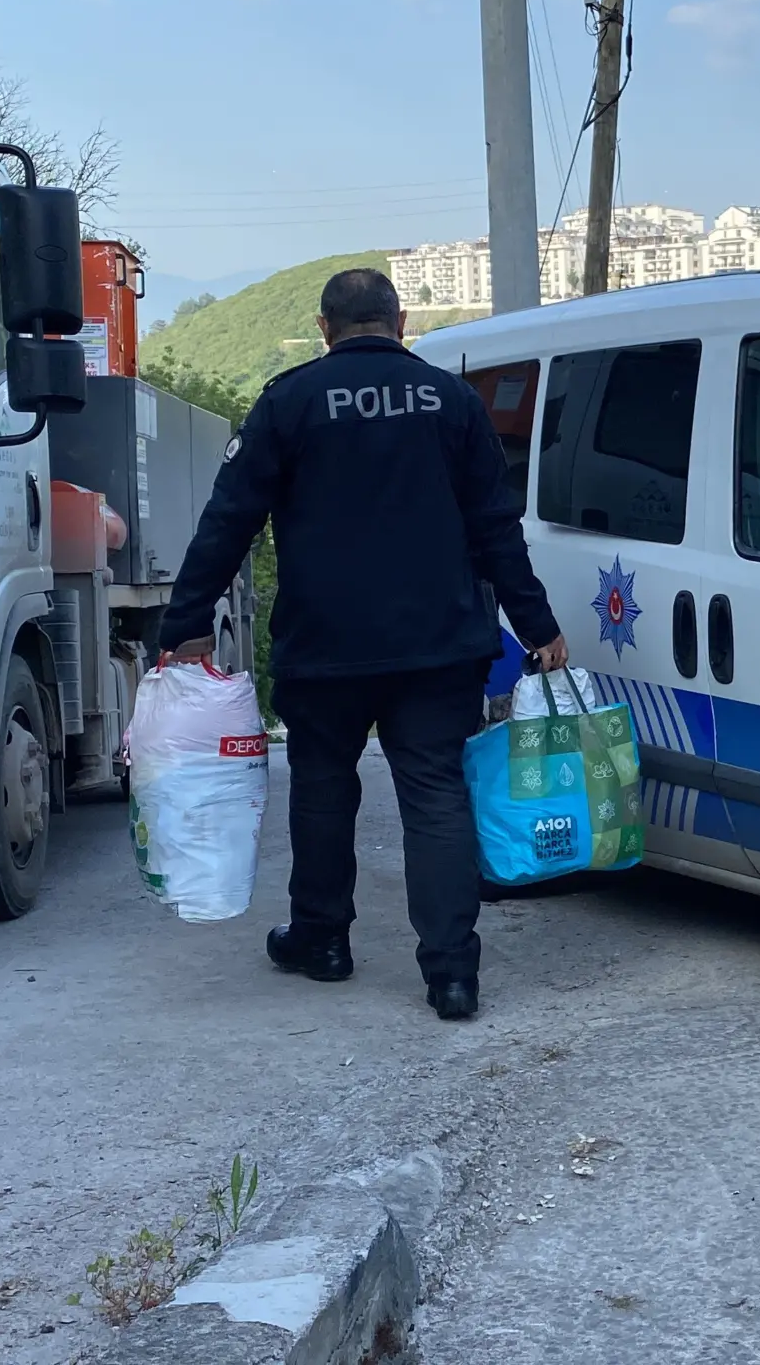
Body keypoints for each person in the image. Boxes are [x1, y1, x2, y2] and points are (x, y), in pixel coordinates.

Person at [156, 268, 566, 1021]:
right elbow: (495, 528)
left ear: (324, 328)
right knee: (435, 794)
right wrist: (536, 626)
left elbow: (229, 522)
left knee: (321, 788)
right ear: (400, 320)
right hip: (439, 644)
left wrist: (182, 625)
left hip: (326, 644)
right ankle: (451, 976)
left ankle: (323, 939)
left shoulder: (289, 401)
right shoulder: (453, 401)